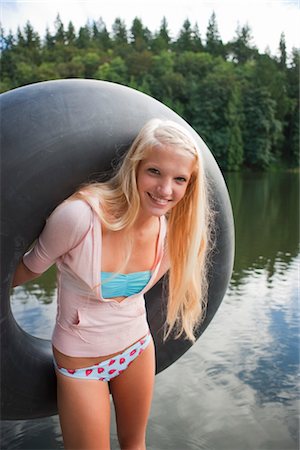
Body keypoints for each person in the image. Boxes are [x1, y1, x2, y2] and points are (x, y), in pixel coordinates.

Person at [13, 118, 213, 450]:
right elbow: (29, 268)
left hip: (136, 348)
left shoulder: (175, 234)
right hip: (81, 363)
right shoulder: (79, 218)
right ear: (134, 166)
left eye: (180, 179)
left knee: (135, 445)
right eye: (154, 172)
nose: (166, 190)